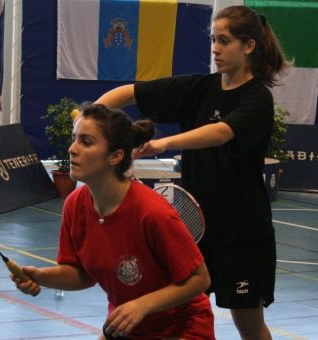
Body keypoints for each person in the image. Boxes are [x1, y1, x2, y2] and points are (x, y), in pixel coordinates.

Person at [94, 5, 290, 340]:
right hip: (191, 229)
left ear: (248, 46)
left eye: (224, 40)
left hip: (241, 233)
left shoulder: (258, 98)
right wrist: (94, 118)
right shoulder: (199, 87)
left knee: (249, 325)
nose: (215, 48)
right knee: (170, 313)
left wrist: (163, 143)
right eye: (214, 39)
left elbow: (221, 132)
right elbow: (130, 93)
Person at [12, 103, 215, 339]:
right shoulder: (75, 206)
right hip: (126, 324)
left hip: (181, 327)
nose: (72, 149)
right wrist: (41, 276)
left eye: (86, 142)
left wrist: (143, 304)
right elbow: (82, 274)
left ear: (115, 156)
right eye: (74, 139)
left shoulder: (153, 213)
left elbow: (200, 279)